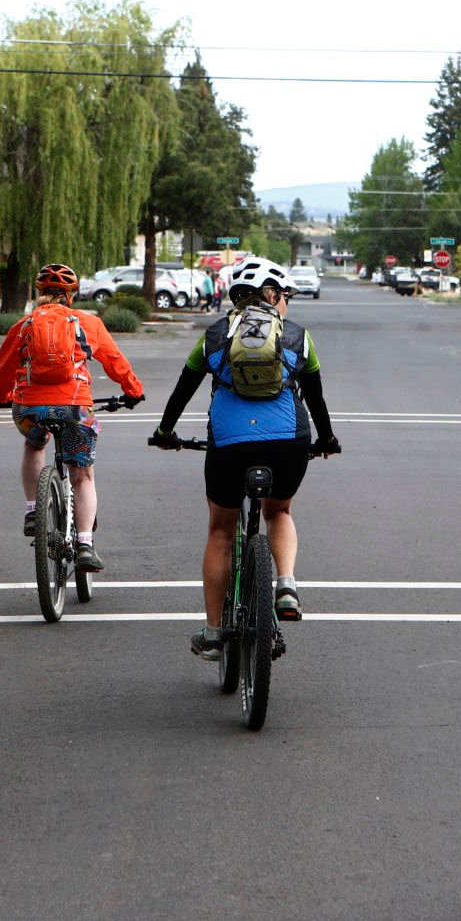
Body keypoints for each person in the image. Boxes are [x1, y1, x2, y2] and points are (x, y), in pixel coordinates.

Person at [148, 257, 340, 654]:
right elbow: (316, 398)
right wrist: (327, 439)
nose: (287, 304)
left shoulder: (215, 335)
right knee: (279, 512)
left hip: (230, 443)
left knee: (221, 529)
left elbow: (182, 390)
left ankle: (215, 632)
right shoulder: (298, 337)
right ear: (275, 296)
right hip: (290, 441)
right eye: (285, 296)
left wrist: (165, 432)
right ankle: (285, 584)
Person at [0, 263, 145, 573]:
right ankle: (85, 544)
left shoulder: (23, 325)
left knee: (34, 445)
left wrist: (1, 397)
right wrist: (133, 391)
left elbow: (4, 369)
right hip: (75, 406)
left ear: (40, 294)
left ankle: (34, 511)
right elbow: (114, 361)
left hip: (29, 406)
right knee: (83, 474)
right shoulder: (88, 322)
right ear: (71, 296)